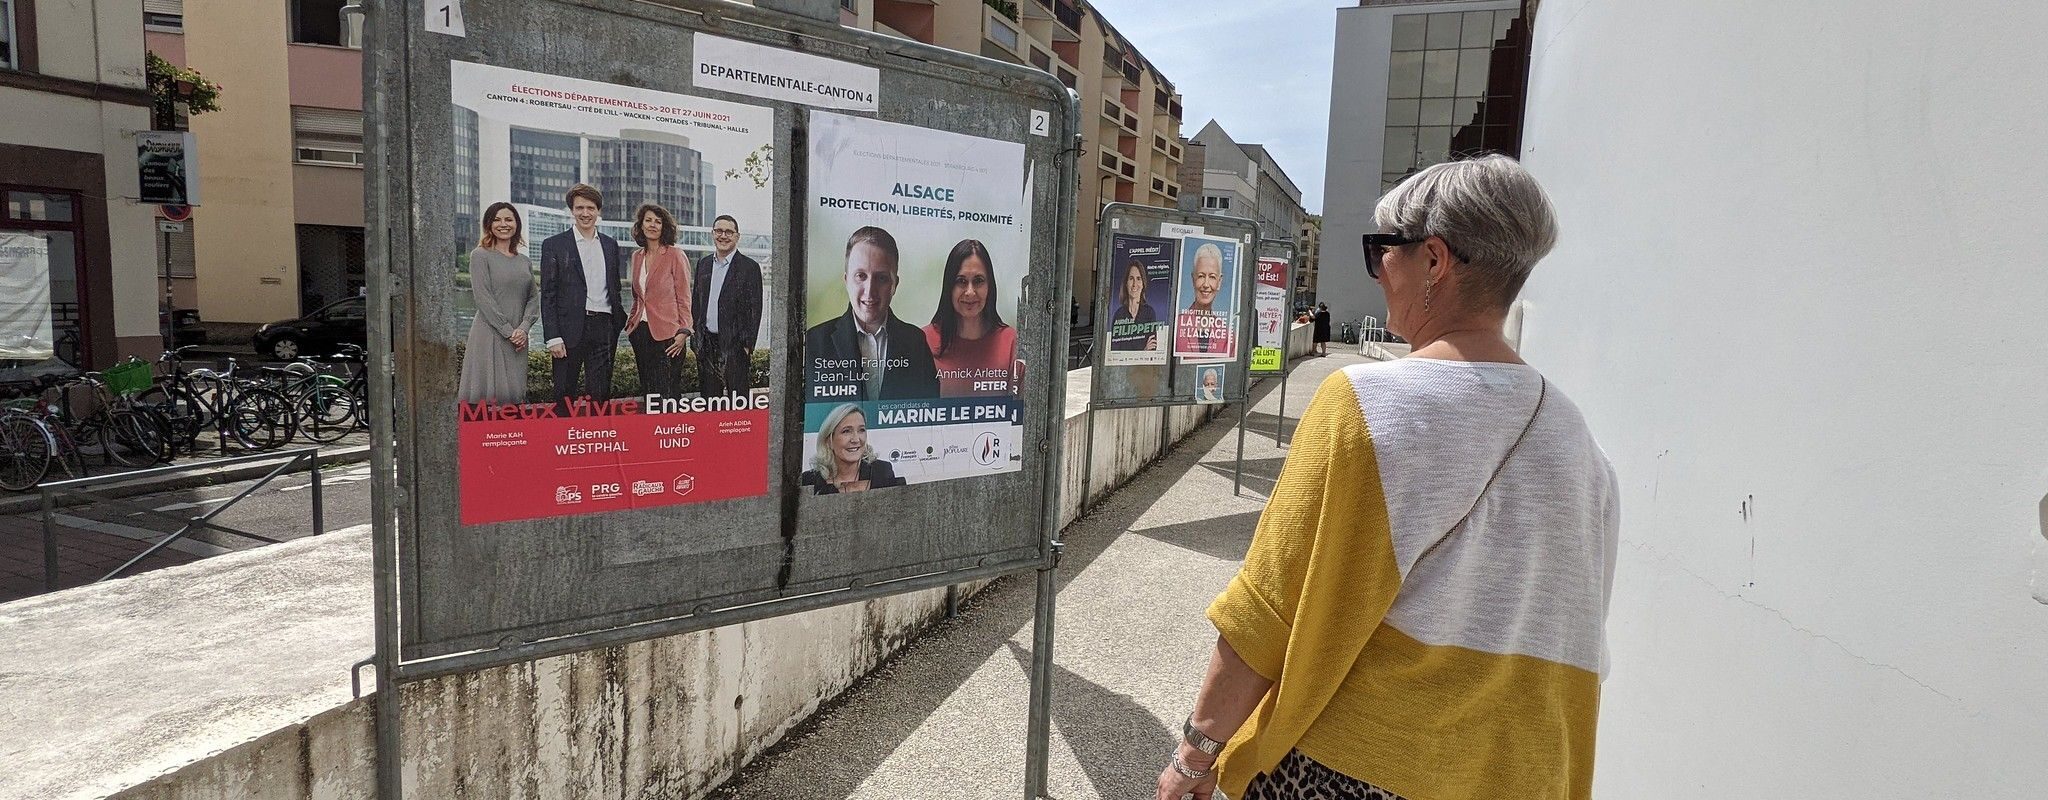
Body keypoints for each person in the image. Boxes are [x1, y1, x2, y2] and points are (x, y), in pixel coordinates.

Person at [1156, 155, 1618, 800]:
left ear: (1434, 260)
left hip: (1357, 768)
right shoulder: (1583, 447)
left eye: (1380, 250)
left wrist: (1196, 753)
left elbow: (1269, 606)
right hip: (1520, 775)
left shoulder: (1363, 406)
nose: (1376, 272)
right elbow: (1580, 642)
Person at [804, 226, 940, 401]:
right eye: (861, 276)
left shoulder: (916, 342)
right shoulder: (815, 342)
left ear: (894, 285)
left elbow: (929, 407)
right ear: (846, 280)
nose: (870, 291)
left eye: (881, 278)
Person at [539, 184, 626, 407]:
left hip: (604, 327)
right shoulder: (554, 245)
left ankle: (598, 430)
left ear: (598, 211)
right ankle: (563, 430)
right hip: (568, 329)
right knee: (564, 394)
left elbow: (614, 287)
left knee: (600, 396)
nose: (585, 213)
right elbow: (548, 294)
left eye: (590, 208)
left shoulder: (610, 245)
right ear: (572, 210)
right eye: (579, 208)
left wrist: (616, 324)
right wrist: (553, 337)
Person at [457, 202, 539, 404]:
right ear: (489, 225)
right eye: (497, 220)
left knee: (514, 398)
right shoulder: (480, 255)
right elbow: (483, 298)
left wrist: (523, 329)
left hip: (519, 339)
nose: (503, 224)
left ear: (517, 224)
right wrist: (508, 331)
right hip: (490, 334)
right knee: (484, 399)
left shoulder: (524, 261)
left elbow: (533, 297)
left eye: (508, 219)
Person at [922, 239, 1016, 397]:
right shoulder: (922, 341)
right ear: (949, 287)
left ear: (990, 286)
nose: (970, 292)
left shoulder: (1011, 342)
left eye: (978, 281)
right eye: (961, 281)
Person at [623, 203, 692, 399]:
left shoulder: (675, 254)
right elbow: (638, 296)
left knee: (668, 394)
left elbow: (684, 297)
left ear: (664, 227)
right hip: (641, 332)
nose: (652, 225)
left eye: (658, 221)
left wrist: (684, 331)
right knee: (648, 392)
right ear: (641, 225)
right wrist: (631, 324)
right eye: (648, 220)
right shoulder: (637, 256)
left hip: (669, 335)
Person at [693, 214, 763, 398]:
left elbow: (755, 309)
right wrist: (696, 339)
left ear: (737, 236)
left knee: (738, 399)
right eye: (719, 231)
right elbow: (696, 303)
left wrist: (747, 345)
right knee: (709, 399)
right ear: (712, 233)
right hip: (707, 344)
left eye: (729, 232)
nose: (723, 236)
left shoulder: (750, 268)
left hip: (735, 346)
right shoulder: (703, 264)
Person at [798, 404, 905, 494]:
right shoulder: (809, 479)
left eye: (861, 430)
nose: (856, 439)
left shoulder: (882, 471)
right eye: (846, 431)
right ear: (829, 441)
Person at [1174, 243, 1232, 357]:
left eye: (1212, 277)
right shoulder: (1176, 326)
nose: (1206, 284)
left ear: (1219, 282)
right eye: (1201, 276)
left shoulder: (1227, 336)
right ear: (1193, 279)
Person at [1109, 259, 1159, 352]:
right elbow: (1115, 351)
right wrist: (1143, 351)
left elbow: (1152, 348)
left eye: (1138, 279)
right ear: (1126, 283)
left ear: (1143, 284)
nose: (1134, 284)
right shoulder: (1119, 315)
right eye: (1131, 278)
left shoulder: (1149, 313)